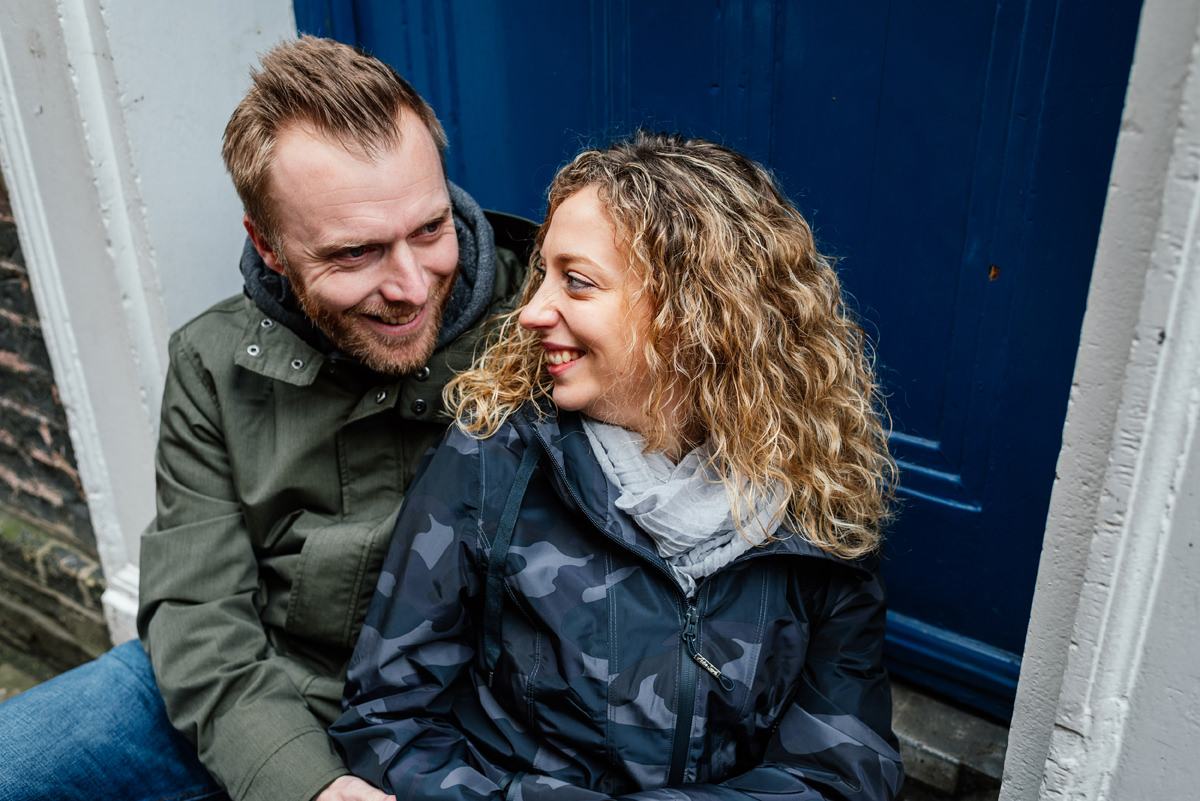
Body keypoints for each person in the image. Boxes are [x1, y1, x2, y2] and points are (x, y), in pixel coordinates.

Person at [0, 36, 528, 801]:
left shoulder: (545, 321)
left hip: (454, 723)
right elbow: (197, 607)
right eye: (356, 254)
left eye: (431, 228)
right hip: (260, 677)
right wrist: (300, 779)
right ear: (269, 245)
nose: (412, 284)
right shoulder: (212, 363)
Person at [330, 132, 904, 801]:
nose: (533, 311)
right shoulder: (491, 460)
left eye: (576, 281)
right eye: (542, 275)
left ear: (697, 311)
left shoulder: (818, 495)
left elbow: (847, 770)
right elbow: (388, 721)